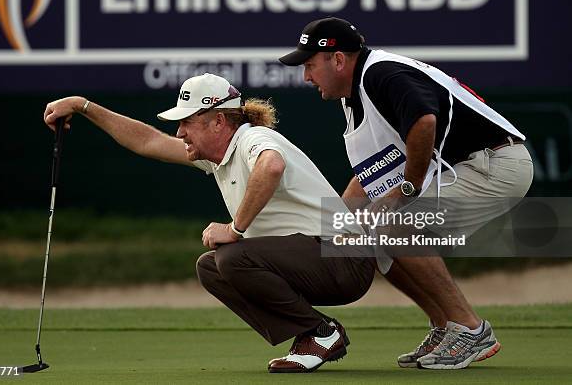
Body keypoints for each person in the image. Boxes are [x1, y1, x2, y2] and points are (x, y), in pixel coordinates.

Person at [43, 73, 374, 373]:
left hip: (345, 258)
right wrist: (82, 106)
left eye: (187, 122)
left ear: (218, 121)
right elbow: (149, 142)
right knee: (212, 266)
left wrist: (234, 229)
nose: (180, 132)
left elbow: (271, 165)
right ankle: (315, 333)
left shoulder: (251, 139)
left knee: (232, 256)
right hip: (325, 261)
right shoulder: (220, 156)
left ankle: (322, 334)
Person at [279, 17, 534, 370]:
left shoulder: (381, 74)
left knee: (392, 225)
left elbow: (423, 122)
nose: (306, 76)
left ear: (338, 59)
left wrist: (408, 189)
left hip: (495, 164)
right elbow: (373, 172)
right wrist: (339, 222)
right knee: (370, 231)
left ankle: (471, 329)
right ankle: (446, 327)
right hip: (469, 167)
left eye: (310, 65)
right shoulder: (354, 93)